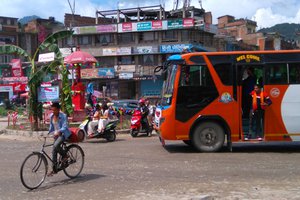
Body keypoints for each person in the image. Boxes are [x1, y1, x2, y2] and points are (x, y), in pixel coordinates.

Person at [47, 102, 71, 176]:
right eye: (52, 110)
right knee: (54, 150)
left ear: (58, 109)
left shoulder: (63, 116)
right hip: (56, 135)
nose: (53, 112)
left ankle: (65, 155)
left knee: (55, 146)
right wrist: (48, 133)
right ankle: (54, 169)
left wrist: (59, 131)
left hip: (63, 134)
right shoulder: (51, 116)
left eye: (54, 110)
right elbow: (51, 127)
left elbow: (65, 126)